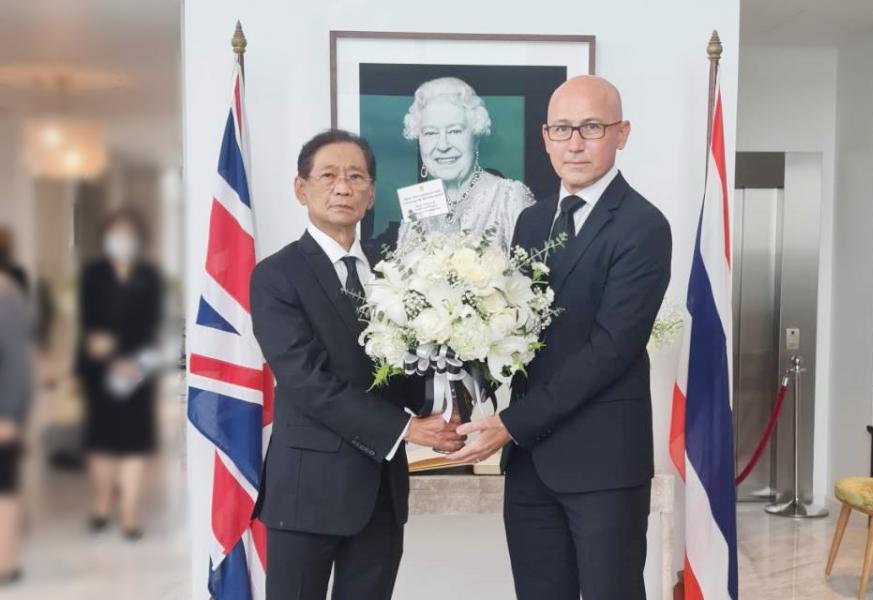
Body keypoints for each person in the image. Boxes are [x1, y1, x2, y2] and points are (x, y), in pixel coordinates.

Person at [449, 76, 672, 600]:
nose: (575, 143)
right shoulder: (531, 222)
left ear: (622, 133)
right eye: (562, 129)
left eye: (591, 127)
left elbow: (610, 351)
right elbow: (516, 334)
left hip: (602, 465)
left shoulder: (643, 226)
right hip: (531, 463)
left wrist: (510, 423)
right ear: (545, 137)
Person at [250, 129, 464, 600]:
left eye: (356, 177)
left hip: (380, 495)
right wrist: (409, 430)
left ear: (371, 194)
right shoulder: (277, 275)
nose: (343, 188)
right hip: (307, 495)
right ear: (301, 189)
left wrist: (449, 403)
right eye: (328, 176)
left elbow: (411, 368)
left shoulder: (396, 272)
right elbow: (308, 382)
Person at [75, 209, 163, 539]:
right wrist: (109, 356)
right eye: (116, 232)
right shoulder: (93, 274)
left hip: (138, 368)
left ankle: (129, 513)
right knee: (102, 441)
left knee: (134, 443)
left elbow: (151, 324)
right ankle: (101, 504)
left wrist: (132, 361)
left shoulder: (149, 276)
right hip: (100, 369)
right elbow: (89, 322)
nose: (121, 239)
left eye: (128, 233)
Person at [397, 76, 534, 250]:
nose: (443, 145)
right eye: (430, 133)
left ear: (475, 136)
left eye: (454, 131)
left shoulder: (508, 198)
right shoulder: (418, 205)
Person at [0, 271, 31, 585]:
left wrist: (9, 413)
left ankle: (5, 565)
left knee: (4, 487)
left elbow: (17, 361)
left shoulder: (4, 294)